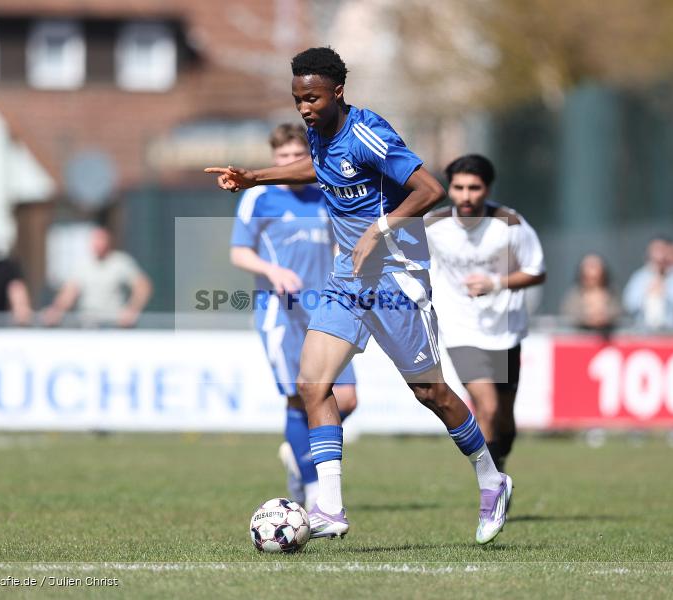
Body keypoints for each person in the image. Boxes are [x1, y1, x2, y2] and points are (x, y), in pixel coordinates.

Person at [206, 47, 510, 544]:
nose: (304, 107)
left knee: (429, 393)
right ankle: (328, 506)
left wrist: (379, 229)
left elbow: (430, 188)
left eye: (313, 98)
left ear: (338, 92)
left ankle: (491, 478)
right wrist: (255, 177)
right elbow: (320, 169)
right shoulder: (319, 130)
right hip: (347, 280)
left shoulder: (369, 132)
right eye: (298, 99)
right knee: (311, 384)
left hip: (397, 280)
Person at [230, 123, 358, 510]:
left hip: (326, 307)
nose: (288, 163)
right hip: (280, 312)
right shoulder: (260, 197)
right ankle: (314, 487)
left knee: (347, 399)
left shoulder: (322, 194)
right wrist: (273, 271)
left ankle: (298, 450)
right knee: (298, 397)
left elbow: (340, 239)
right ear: (273, 160)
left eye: (295, 157)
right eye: (281, 157)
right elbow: (239, 252)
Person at [424, 154, 546, 475]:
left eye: (474, 188)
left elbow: (537, 272)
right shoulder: (433, 227)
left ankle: (500, 463)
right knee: (487, 408)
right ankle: (490, 488)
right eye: (459, 187)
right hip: (459, 327)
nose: (466, 196)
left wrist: (496, 283)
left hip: (505, 329)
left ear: (487, 188)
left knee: (505, 417)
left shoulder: (511, 225)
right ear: (449, 188)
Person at [43, 227, 152, 328]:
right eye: (95, 240)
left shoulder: (120, 262)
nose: (97, 243)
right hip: (88, 324)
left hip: (114, 324)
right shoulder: (83, 264)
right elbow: (69, 293)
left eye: (101, 239)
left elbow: (143, 286)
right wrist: (56, 310)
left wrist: (132, 310)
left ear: (109, 241)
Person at [622, 236, 673, 330]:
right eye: (656, 250)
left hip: (672, 333)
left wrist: (667, 290)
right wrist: (647, 291)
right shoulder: (639, 277)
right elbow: (628, 305)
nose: (659, 255)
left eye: (662, 250)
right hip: (644, 333)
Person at [561, 253, 621, 335]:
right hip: (580, 338)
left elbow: (618, 312)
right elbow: (568, 314)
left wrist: (604, 317)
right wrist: (587, 317)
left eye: (594, 266)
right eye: (589, 267)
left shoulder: (612, 292)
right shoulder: (574, 294)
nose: (592, 272)